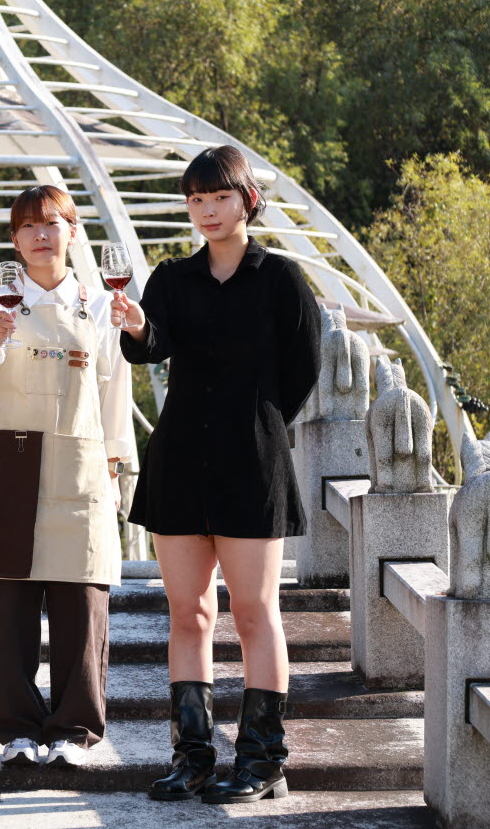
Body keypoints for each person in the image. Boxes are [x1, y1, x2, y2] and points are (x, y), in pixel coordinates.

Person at [113, 145, 321, 804]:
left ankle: (263, 761)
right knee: (188, 612)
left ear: (247, 200)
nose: (207, 210)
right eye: (196, 199)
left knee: (256, 612)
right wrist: (138, 326)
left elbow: (304, 369)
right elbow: (150, 346)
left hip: (252, 464)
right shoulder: (172, 278)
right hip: (178, 462)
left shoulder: (281, 278)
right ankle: (193, 758)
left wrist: (257, 424)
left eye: (220, 197)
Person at [0, 185, 135, 769]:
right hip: (15, 459)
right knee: (11, 604)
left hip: (82, 461)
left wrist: (116, 464)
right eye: (29, 226)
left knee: (81, 602)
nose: (41, 235)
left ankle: (75, 730)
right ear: (15, 239)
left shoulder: (100, 304)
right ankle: (15, 729)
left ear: (72, 232)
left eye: (52, 223)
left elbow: (115, 389)